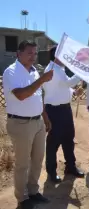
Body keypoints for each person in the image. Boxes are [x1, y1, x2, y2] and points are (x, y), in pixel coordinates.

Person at [2, 40, 53, 209]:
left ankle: (33, 191)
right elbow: (21, 95)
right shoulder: (11, 72)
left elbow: (38, 97)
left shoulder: (34, 72)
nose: (33, 56)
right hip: (20, 123)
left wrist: (45, 118)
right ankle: (22, 198)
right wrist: (42, 80)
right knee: (23, 163)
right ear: (19, 54)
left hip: (37, 121)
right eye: (29, 52)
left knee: (37, 160)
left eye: (35, 53)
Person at [42, 46, 85, 183]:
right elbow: (68, 83)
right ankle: (51, 172)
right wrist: (81, 72)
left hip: (65, 110)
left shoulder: (59, 69)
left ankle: (70, 166)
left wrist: (73, 92)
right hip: (55, 111)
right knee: (53, 143)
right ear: (57, 55)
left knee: (68, 139)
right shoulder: (52, 69)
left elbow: (63, 87)